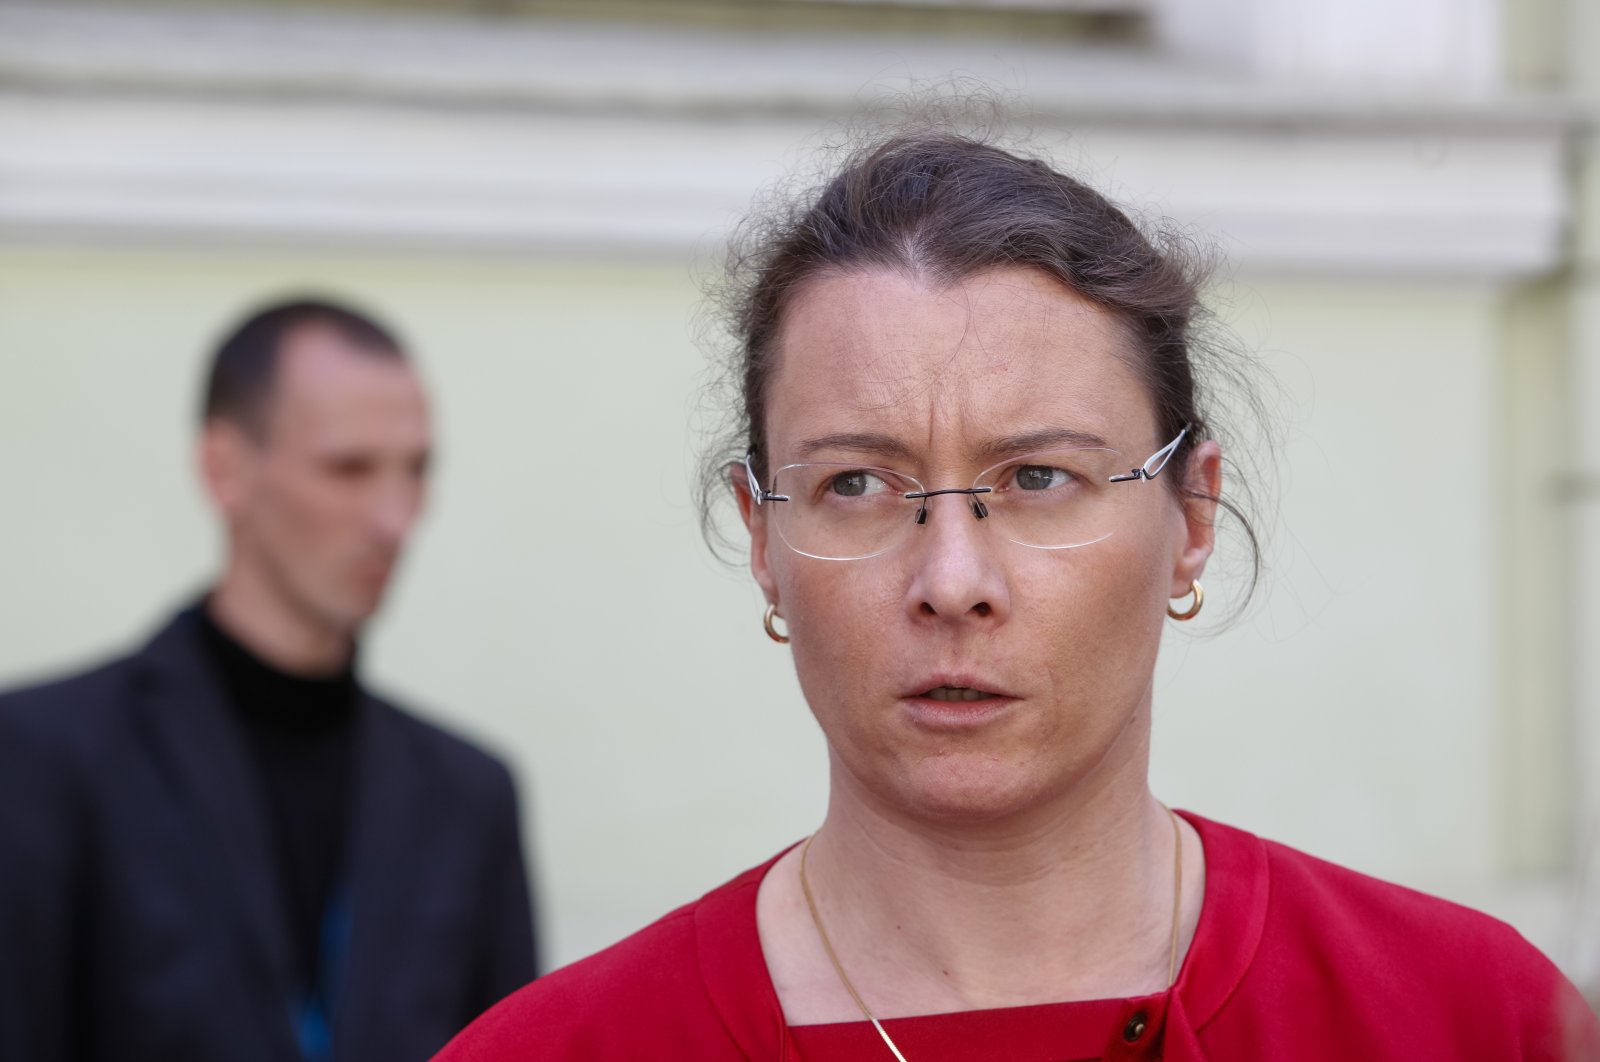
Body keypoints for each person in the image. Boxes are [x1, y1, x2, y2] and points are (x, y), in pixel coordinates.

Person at [436, 134, 1600, 1060]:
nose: (952, 581)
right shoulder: (566, 1050)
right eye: (857, 483)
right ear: (762, 535)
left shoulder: (1464, 1022)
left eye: (1038, 477)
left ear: (1190, 518)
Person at [0, 299, 538, 1062]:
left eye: (415, 470)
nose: (394, 517)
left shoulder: (470, 795)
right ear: (226, 469)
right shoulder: (40, 759)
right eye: (348, 468)